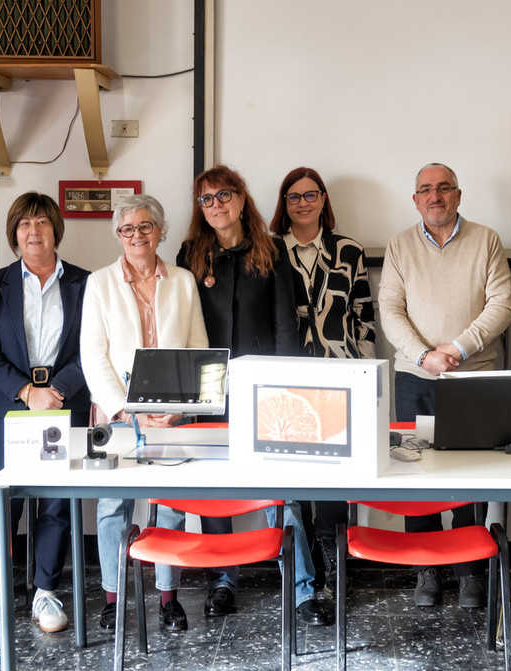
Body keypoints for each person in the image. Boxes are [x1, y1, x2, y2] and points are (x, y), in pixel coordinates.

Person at [178, 164, 330, 626]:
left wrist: (285, 388)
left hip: (265, 382)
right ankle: (222, 582)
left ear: (242, 199)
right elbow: (179, 322)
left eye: (225, 195)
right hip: (208, 386)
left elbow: (286, 322)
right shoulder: (190, 254)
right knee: (214, 489)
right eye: (207, 199)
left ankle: (301, 587)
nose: (217, 205)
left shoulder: (271, 249)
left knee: (281, 488)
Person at [379, 162, 511, 607]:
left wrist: (456, 348)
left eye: (443, 188)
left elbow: (501, 305)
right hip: (414, 378)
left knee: (469, 475)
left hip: (472, 380)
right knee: (417, 475)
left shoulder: (486, 240)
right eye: (425, 190)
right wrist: (425, 356)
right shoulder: (399, 245)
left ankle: (469, 570)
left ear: (458, 195)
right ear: (415, 199)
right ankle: (426, 569)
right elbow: (391, 310)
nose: (434, 196)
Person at [80, 194, 208, 633]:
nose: (137, 235)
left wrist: (177, 409)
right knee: (113, 506)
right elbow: (93, 355)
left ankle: (169, 599)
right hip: (116, 416)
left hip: (171, 416)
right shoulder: (99, 283)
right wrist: (123, 409)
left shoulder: (183, 281)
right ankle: (114, 600)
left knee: (170, 505)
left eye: (145, 226)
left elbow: (197, 351)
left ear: (160, 230)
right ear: (118, 235)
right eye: (128, 229)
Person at [0, 192, 90, 635]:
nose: (33, 231)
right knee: (2, 501)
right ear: (14, 233)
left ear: (56, 228)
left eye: (41, 222)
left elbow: (93, 345)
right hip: (11, 407)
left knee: (55, 502)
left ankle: (45, 592)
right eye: (24, 224)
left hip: (64, 403)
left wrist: (57, 390)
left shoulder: (84, 283)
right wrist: (25, 390)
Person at [268, 166, 376, 594]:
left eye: (311, 195)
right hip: (287, 378)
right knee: (293, 476)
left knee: (333, 476)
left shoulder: (349, 250)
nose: (303, 203)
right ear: (285, 203)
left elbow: (364, 315)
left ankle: (333, 558)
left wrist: (365, 375)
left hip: (339, 376)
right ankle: (302, 563)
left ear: (323, 199)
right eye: (294, 197)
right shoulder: (271, 250)